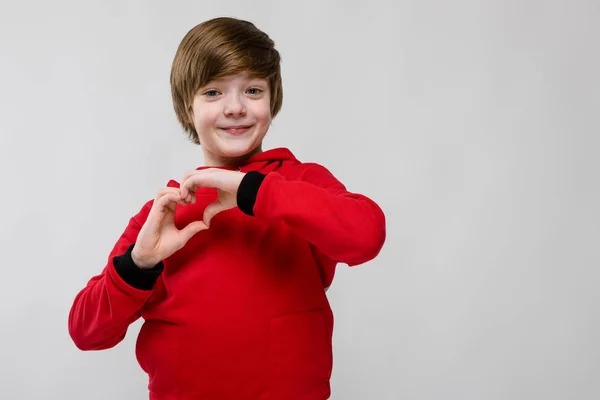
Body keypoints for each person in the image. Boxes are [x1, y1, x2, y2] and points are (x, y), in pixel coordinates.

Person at [68, 16, 386, 400]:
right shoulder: (165, 213)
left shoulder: (300, 185)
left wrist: (255, 191)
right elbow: (86, 331)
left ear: (273, 101)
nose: (235, 108)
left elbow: (366, 236)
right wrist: (139, 264)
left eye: (252, 90)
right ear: (188, 108)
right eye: (213, 92)